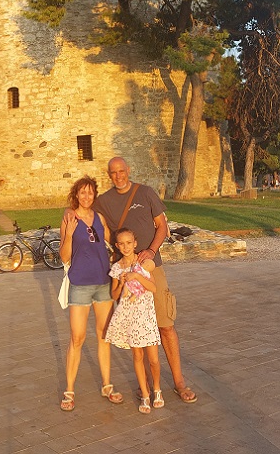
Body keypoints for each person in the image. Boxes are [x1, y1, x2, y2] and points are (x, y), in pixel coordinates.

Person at [94, 156, 197, 404]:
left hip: (152, 268)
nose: (118, 176)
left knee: (165, 325)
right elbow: (97, 228)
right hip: (127, 274)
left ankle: (179, 381)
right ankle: (147, 385)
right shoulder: (104, 202)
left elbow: (163, 226)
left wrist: (150, 250)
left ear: (128, 170)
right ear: (109, 175)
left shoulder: (146, 193)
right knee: (137, 331)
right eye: (113, 172)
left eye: (121, 171)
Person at [58, 175, 124, 412]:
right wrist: (68, 234)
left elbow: (113, 245)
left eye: (90, 192)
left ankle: (107, 385)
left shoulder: (100, 218)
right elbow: (64, 256)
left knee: (104, 335)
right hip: (80, 284)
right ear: (76, 194)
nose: (86, 196)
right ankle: (69, 390)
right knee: (77, 337)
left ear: (94, 195)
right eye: (82, 192)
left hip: (102, 283)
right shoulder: (69, 218)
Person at [106, 227, 163, 414]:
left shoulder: (144, 263)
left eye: (129, 243)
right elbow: (114, 295)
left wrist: (136, 275)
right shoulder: (116, 267)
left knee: (153, 359)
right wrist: (122, 282)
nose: (125, 247)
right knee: (138, 357)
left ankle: (157, 389)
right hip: (130, 316)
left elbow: (153, 288)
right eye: (121, 244)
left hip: (145, 315)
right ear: (117, 245)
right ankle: (145, 395)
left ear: (135, 243)